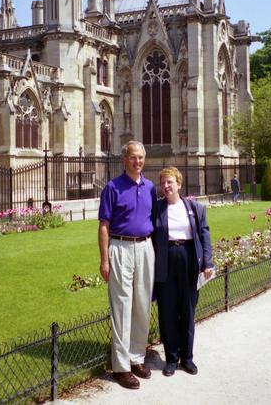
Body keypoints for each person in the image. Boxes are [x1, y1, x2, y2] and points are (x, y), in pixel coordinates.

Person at [98, 140, 157, 390]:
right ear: (124, 159)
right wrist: (104, 260)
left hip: (145, 247)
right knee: (122, 307)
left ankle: (136, 358)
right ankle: (121, 367)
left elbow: (154, 219)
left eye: (141, 157)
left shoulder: (151, 187)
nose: (138, 161)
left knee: (142, 304)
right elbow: (103, 226)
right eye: (133, 157)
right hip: (120, 247)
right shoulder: (112, 187)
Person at [153, 167, 214, 377]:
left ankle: (187, 358)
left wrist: (208, 262)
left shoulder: (194, 208)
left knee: (187, 310)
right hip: (166, 260)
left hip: (188, 258)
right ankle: (171, 358)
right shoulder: (157, 209)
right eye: (163, 183)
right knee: (167, 311)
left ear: (179, 184)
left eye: (170, 182)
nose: (166, 186)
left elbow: (204, 235)